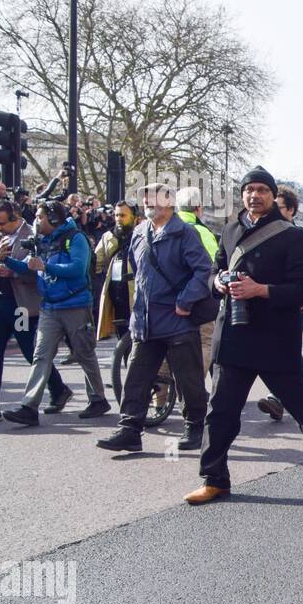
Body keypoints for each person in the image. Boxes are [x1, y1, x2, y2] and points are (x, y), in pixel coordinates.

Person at [185, 167, 303, 504]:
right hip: (233, 338)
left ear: (272, 195)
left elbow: (302, 290)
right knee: (220, 410)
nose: (254, 195)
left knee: (301, 406)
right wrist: (218, 283)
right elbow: (213, 269)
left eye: (262, 190)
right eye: (249, 190)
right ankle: (214, 478)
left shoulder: (294, 236)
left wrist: (259, 290)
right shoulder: (228, 229)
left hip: (275, 339)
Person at [95, 183, 212, 452]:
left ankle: (195, 426)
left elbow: (203, 271)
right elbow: (139, 272)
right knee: (136, 377)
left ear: (170, 203)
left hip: (178, 321)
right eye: (145, 199)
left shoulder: (185, 233)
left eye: (155, 198)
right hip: (145, 322)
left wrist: (185, 301)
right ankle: (129, 429)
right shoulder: (139, 233)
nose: (148, 202)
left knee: (188, 378)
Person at [1, 199, 110, 425]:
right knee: (40, 355)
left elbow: (78, 269)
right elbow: (29, 267)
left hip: (75, 305)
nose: (36, 221)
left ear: (53, 218)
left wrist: (45, 266)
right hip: (49, 307)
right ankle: (29, 407)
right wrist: (7, 261)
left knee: (84, 354)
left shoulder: (75, 238)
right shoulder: (41, 241)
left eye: (40, 217)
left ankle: (98, 400)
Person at [0, 200, 70, 423]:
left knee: (30, 350)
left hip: (19, 304)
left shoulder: (33, 235)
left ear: (14, 217)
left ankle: (58, 389)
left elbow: (40, 271)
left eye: (1, 223)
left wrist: (13, 272)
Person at [256, 186, 303, 421]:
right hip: (268, 303)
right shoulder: (262, 233)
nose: (273, 211)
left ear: (292, 211)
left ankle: (279, 398)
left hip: (294, 303)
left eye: (278, 207)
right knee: (277, 351)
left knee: (284, 351)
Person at [176, 186, 221, 375]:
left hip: (168, 297)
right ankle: (190, 390)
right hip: (198, 298)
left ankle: (159, 400)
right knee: (205, 341)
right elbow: (212, 268)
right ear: (198, 208)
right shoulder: (202, 232)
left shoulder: (166, 227)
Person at [94, 200, 139, 342]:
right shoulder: (108, 237)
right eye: (116, 215)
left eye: (123, 215)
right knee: (122, 337)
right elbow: (96, 263)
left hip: (137, 296)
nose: (118, 219)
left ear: (134, 217)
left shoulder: (142, 236)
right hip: (117, 296)